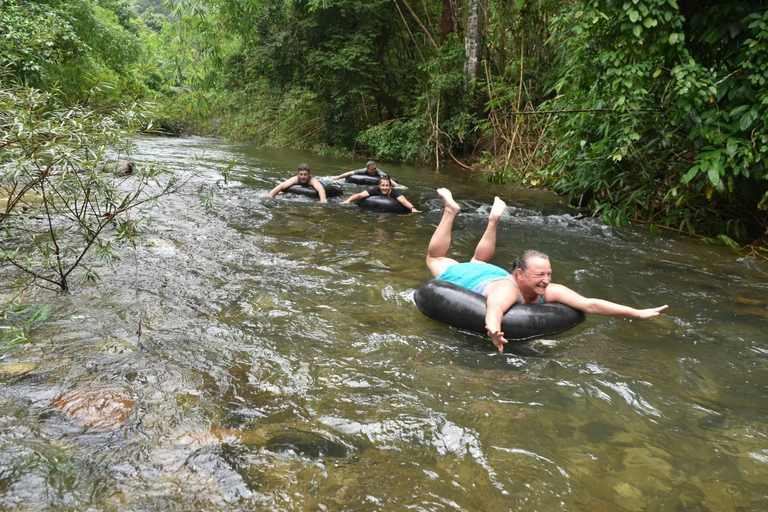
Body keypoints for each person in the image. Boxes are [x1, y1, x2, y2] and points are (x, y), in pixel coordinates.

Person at [426, 188, 668, 352]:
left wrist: (636, 313)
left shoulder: (548, 289)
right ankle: (451, 211)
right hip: (471, 277)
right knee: (436, 258)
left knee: (480, 260)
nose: (546, 280)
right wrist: (494, 332)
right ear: (520, 274)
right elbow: (494, 309)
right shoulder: (508, 290)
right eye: (540, 275)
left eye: (548, 274)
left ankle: (493, 219)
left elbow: (590, 304)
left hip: (491, 274)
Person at [341, 176, 419, 212]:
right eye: (383, 185)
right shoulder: (376, 190)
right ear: (379, 185)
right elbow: (360, 195)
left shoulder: (394, 192)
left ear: (390, 186)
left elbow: (404, 201)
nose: (385, 188)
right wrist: (348, 201)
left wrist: (412, 208)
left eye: (387, 185)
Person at [333, 160, 400, 187]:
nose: (374, 170)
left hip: (377, 180)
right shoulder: (363, 171)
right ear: (367, 169)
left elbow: (387, 178)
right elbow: (350, 173)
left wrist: (397, 186)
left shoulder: (379, 172)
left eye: (375, 169)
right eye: (372, 169)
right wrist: (336, 178)